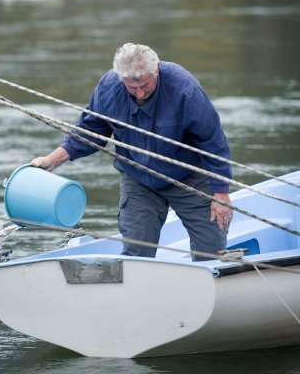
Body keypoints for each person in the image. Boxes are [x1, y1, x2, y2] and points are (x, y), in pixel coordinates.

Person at [31, 43, 233, 260]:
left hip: (188, 176)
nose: (140, 92)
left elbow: (212, 140)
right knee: (137, 249)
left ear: (156, 71)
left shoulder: (185, 89)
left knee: (212, 249)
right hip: (138, 177)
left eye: (145, 85)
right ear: (121, 79)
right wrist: (53, 160)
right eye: (132, 87)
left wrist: (220, 192)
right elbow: (90, 130)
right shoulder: (108, 87)